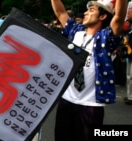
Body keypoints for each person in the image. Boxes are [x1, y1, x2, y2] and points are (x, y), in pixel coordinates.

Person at [50, 0, 127, 140]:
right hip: (66, 100)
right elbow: (61, 12)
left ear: (102, 17)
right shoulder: (75, 31)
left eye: (91, 10)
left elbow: (119, 18)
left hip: (90, 104)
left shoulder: (107, 37)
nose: (85, 12)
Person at [123, 1, 132, 104]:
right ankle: (130, 96)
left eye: (129, 13)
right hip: (129, 54)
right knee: (129, 76)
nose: (127, 15)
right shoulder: (129, 26)